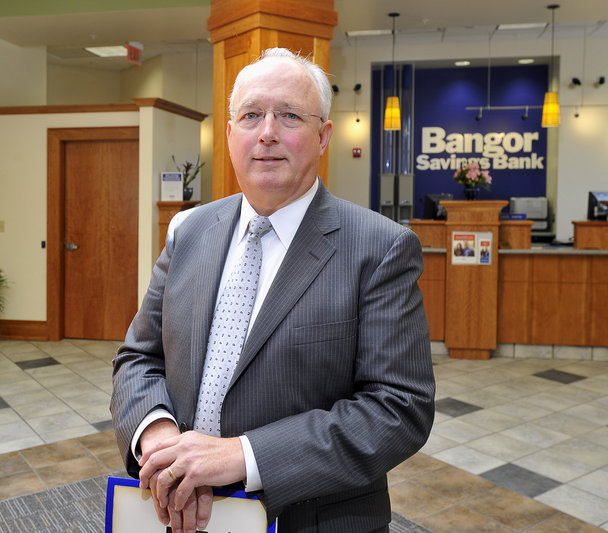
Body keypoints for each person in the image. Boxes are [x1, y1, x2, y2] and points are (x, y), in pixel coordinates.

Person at [111, 48, 435, 533]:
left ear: (324, 135)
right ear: (229, 134)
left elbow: (398, 408)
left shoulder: (380, 248)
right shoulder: (188, 231)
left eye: (289, 116)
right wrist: (160, 442)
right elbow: (138, 357)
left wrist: (241, 455)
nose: (266, 133)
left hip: (307, 518)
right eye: (251, 115)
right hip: (175, 513)